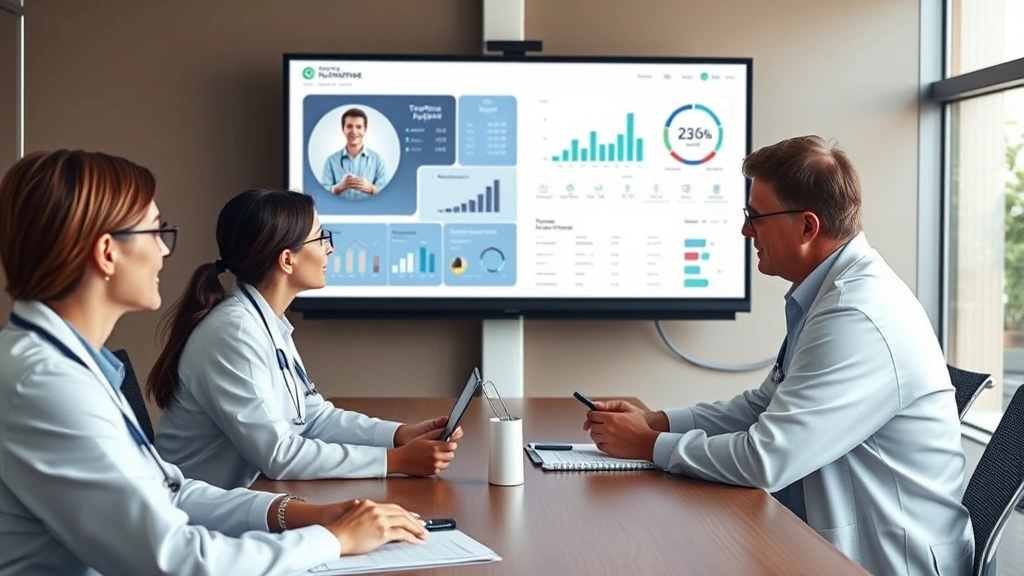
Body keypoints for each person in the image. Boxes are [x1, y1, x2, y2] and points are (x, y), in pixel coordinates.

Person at [0, 150, 427, 576]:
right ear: (108, 253)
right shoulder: (46, 385)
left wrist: (305, 515)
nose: (164, 252)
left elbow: (172, 493)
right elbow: (176, 561)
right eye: (155, 231)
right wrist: (333, 540)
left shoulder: (70, 368)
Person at [583, 135, 974, 576]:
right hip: (833, 543)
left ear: (808, 227)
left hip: (886, 564)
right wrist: (658, 421)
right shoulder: (830, 295)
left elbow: (765, 460)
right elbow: (762, 406)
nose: (745, 230)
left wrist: (649, 445)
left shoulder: (857, 315)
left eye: (755, 216)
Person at [149, 188, 462, 490]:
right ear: (287, 260)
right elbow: (279, 455)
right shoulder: (235, 333)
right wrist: (394, 461)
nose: (330, 248)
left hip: (245, 499)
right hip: (198, 520)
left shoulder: (266, 322)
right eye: (321, 237)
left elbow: (313, 418)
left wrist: (399, 436)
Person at [319, 107, 389, 199]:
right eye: (349, 126)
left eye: (359, 127)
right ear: (343, 129)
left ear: (365, 129)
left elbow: (388, 193)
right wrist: (338, 188)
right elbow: (322, 196)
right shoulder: (331, 161)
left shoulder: (377, 160)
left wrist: (371, 189)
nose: (354, 131)